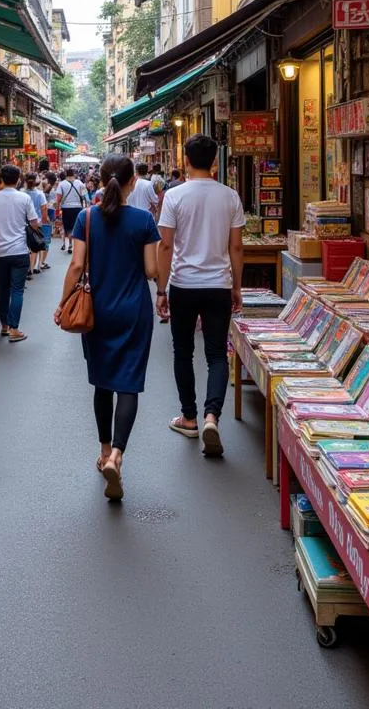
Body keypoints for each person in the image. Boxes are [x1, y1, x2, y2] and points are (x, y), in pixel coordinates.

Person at [55, 155, 159, 502]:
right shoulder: (144, 219)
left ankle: (103, 452)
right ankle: (118, 454)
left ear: (99, 181)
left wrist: (62, 302)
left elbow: (76, 265)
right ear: (133, 182)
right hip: (133, 311)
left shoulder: (86, 218)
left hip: (97, 312)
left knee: (102, 382)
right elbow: (149, 271)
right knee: (128, 383)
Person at [156, 135, 244, 458]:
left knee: (183, 351)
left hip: (183, 284)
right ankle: (212, 417)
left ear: (186, 161)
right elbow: (236, 246)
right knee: (217, 354)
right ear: (215, 161)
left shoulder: (174, 197)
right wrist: (237, 286)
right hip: (218, 284)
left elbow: (165, 245)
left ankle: (189, 417)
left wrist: (161, 288)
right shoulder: (230, 197)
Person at [0, 164, 39, 342]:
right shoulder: (24, 198)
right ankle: (15, 329)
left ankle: (5, 326)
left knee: (3, 289)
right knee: (17, 290)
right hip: (19, 251)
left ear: (1, 179)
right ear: (18, 179)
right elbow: (35, 223)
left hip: (0, 252)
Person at [54, 166, 87, 254]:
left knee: (67, 227)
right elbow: (84, 196)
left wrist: (57, 210)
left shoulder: (62, 184)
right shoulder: (79, 183)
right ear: (74, 174)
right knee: (76, 226)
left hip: (66, 208)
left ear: (65, 175)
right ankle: (73, 244)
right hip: (78, 208)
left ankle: (68, 244)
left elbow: (58, 198)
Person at [25, 172, 50, 274]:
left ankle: (30, 267)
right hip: (38, 222)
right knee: (37, 245)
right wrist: (44, 222)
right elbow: (44, 210)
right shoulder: (40, 194)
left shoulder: (22, 193)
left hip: (24, 223)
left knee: (28, 246)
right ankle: (35, 266)